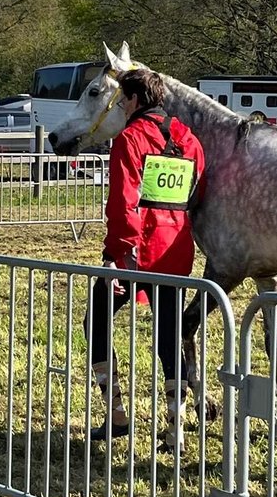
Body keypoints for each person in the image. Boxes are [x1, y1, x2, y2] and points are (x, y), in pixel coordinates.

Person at [85, 67, 205, 449]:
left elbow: (123, 202)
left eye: (121, 99)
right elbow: (195, 189)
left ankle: (117, 412)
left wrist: (115, 254)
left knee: (96, 318)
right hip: (177, 248)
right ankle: (176, 430)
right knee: (169, 337)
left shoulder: (129, 139)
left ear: (135, 100)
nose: (119, 105)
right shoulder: (189, 140)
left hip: (137, 252)